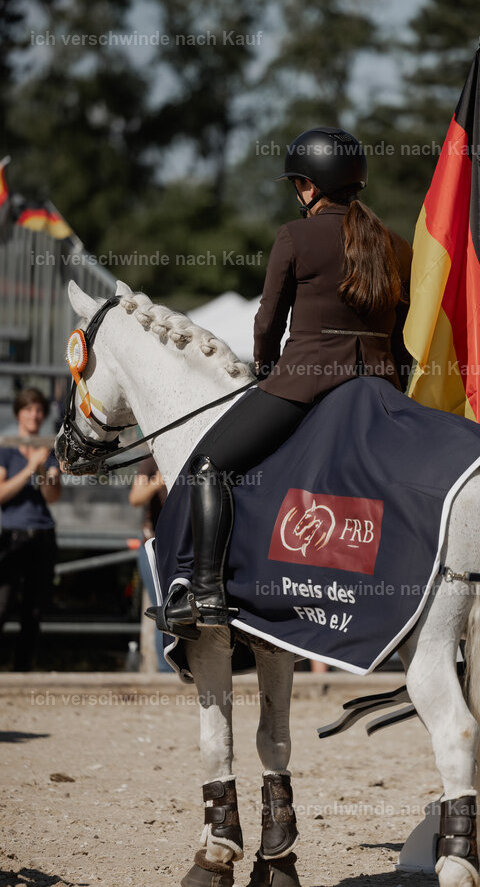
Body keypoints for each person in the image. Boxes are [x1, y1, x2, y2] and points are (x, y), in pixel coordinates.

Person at [151, 126, 412, 637]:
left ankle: (205, 591)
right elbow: (401, 335)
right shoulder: (395, 245)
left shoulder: (295, 236)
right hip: (380, 387)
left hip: (304, 383)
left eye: (298, 183)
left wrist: (267, 370)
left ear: (310, 187)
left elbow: (268, 322)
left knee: (208, 466)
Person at [0, 387, 61, 669]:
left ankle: (22, 671)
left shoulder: (47, 450)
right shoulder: (6, 448)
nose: (34, 415)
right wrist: (28, 468)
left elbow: (52, 495)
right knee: (3, 603)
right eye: (29, 409)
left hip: (43, 535)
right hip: (11, 536)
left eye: (38, 410)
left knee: (34, 611)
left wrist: (41, 469)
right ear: (19, 413)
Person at [129, 457, 169, 669]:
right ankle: (165, 673)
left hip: (184, 547)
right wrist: (157, 482)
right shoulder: (152, 460)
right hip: (154, 547)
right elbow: (135, 498)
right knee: (162, 611)